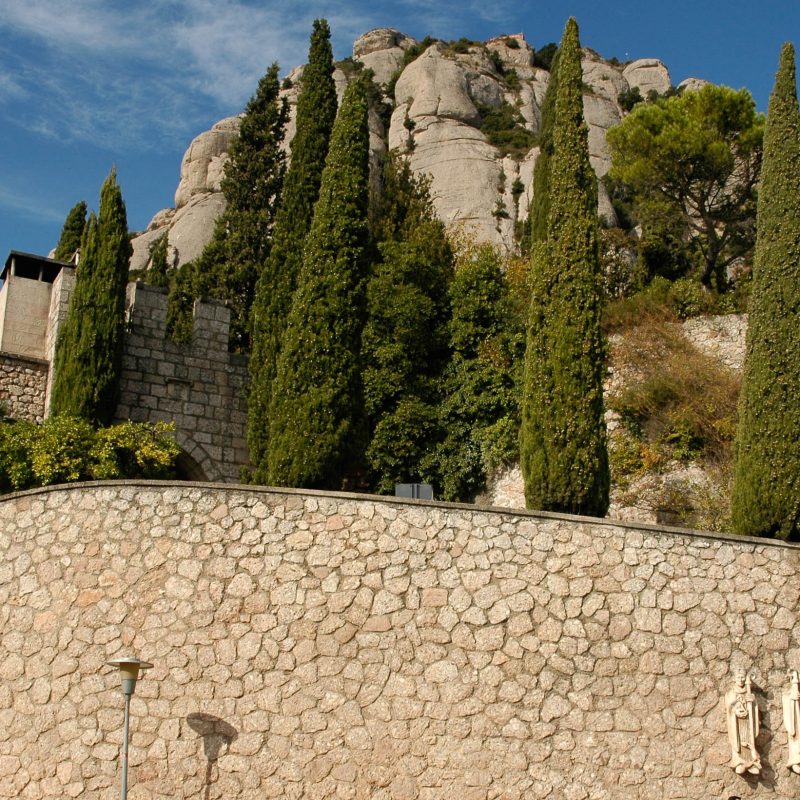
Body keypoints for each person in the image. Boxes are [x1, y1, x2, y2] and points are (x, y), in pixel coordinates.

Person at [726, 669, 761, 775]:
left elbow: (754, 708)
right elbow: (729, 708)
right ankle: (739, 761)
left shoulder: (749, 692)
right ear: (734, 679)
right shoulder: (731, 693)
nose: (740, 680)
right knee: (739, 739)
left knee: (749, 739)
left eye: (742, 677)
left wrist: (753, 702)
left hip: (747, 721)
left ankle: (751, 761)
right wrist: (735, 710)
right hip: (737, 722)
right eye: (738, 677)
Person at [783, 669, 800, 774]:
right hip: (796, 726)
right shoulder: (787, 695)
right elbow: (786, 700)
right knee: (796, 735)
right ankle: (795, 758)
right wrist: (792, 699)